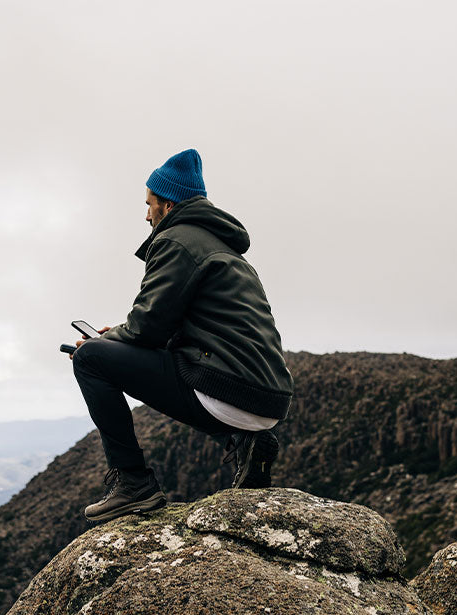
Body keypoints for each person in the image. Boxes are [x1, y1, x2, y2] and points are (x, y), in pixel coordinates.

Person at [70, 148, 294, 522]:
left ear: (168, 206)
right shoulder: (224, 250)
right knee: (105, 350)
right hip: (264, 398)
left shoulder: (176, 241)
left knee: (90, 360)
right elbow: (172, 328)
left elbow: (147, 327)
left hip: (229, 392)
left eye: (149, 204)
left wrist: (103, 344)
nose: (146, 214)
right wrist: (116, 336)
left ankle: (133, 484)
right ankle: (245, 440)